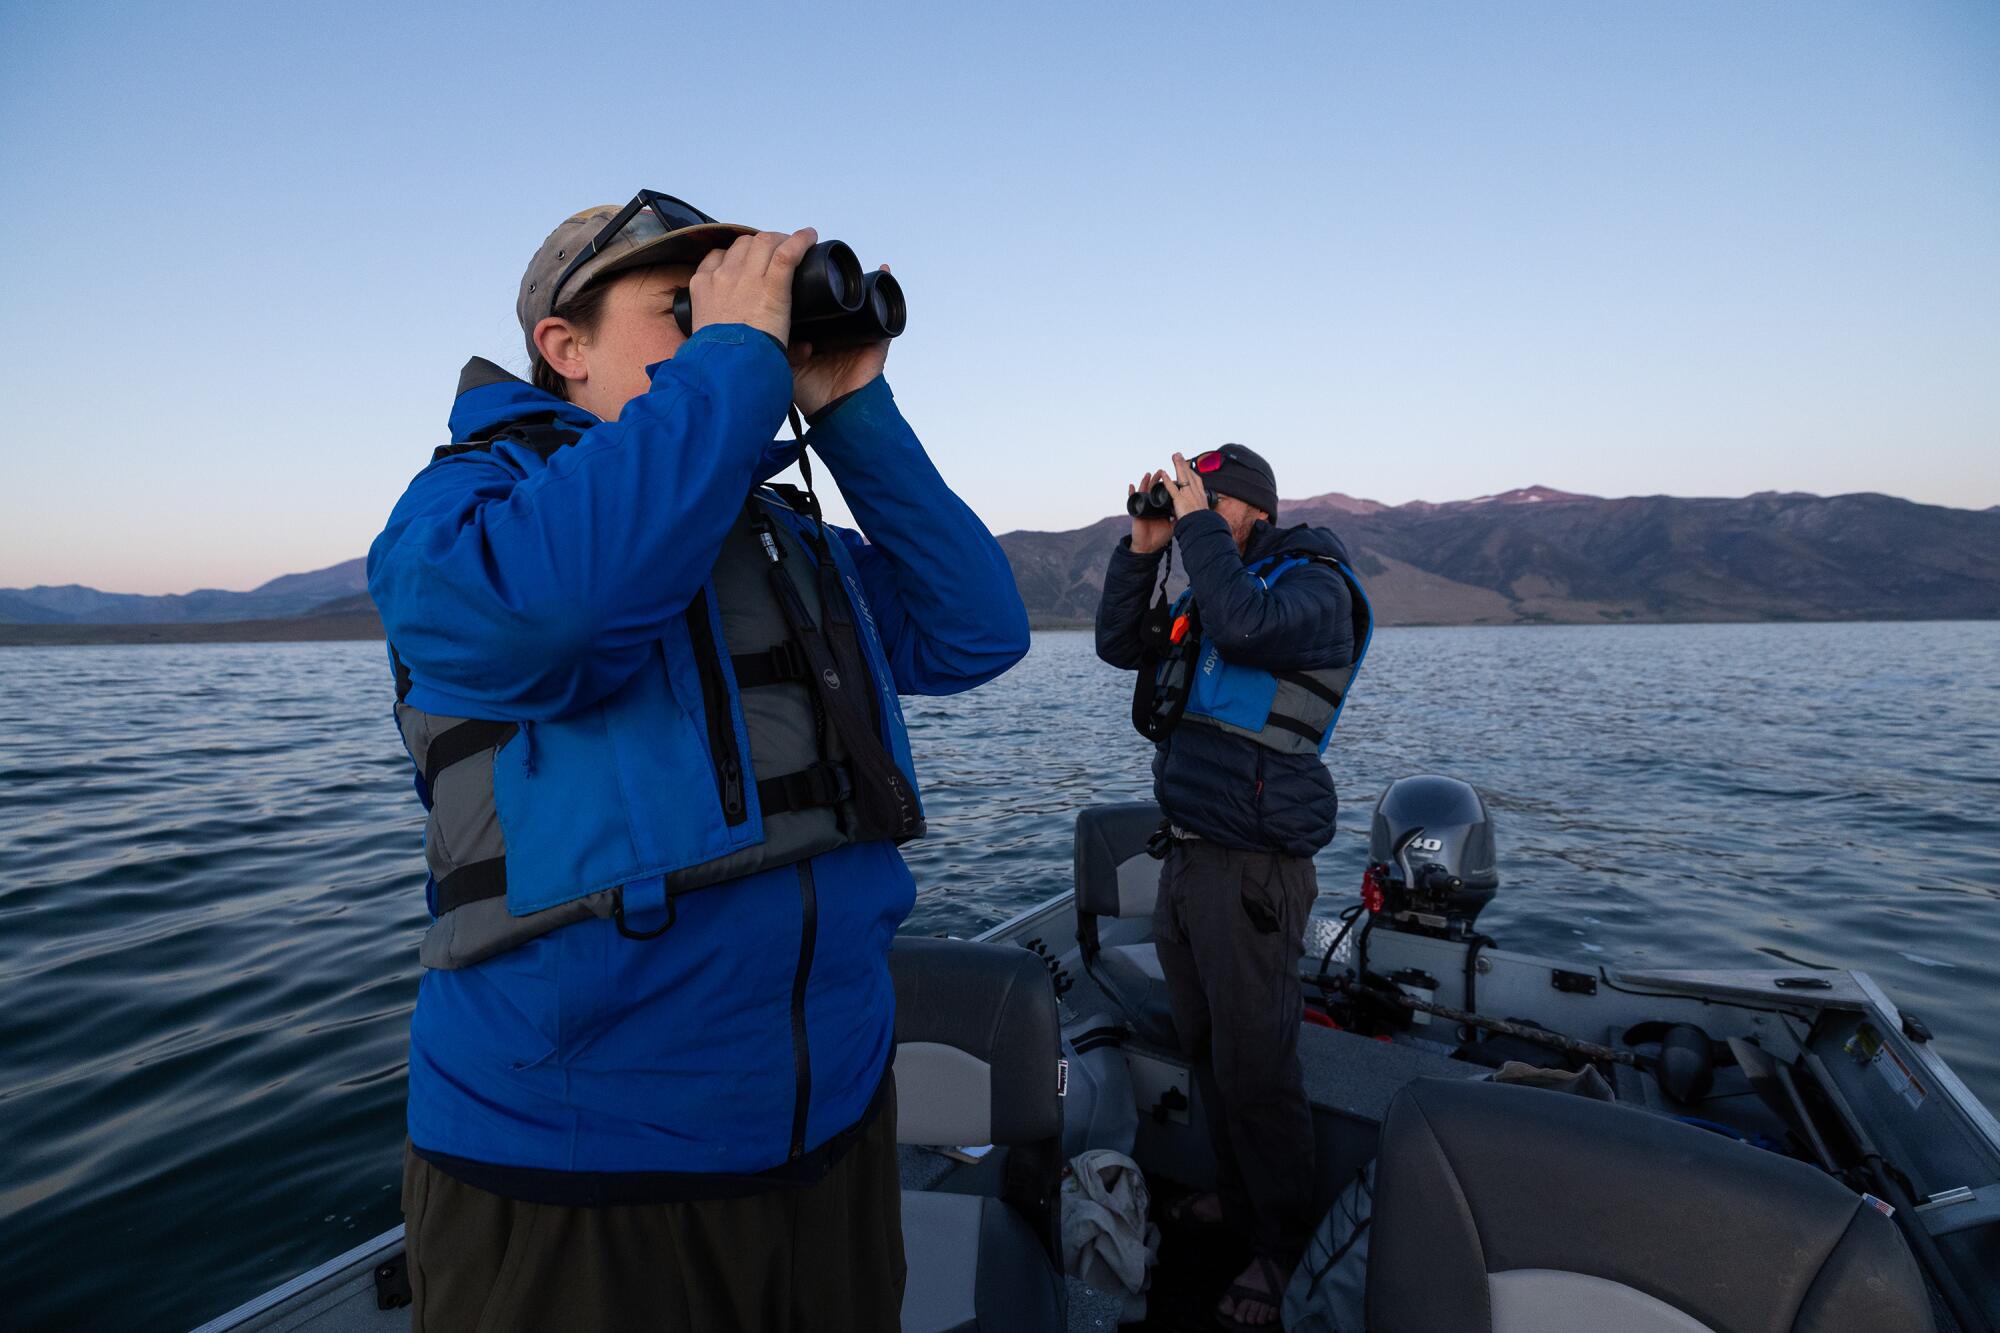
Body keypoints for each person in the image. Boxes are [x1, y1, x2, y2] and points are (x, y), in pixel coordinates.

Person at [367, 191, 1030, 1332]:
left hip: (830, 1135)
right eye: (686, 305)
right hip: (581, 1172)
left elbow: (975, 630)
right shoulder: (467, 508)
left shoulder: (779, 533)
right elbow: (550, 619)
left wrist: (851, 409)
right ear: (562, 349)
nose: (738, 323)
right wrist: (731, 365)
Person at [1093, 445, 1371, 1330]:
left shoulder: (1314, 587)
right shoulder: (1213, 584)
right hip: (1189, 856)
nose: (1187, 510)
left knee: (1258, 1070)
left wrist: (1198, 526)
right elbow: (1117, 645)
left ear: (1247, 507)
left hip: (1252, 869)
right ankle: (1234, 1197)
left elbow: (1248, 627)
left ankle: (1285, 1251)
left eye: (1205, 500)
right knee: (1208, 1051)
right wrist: (1143, 546)